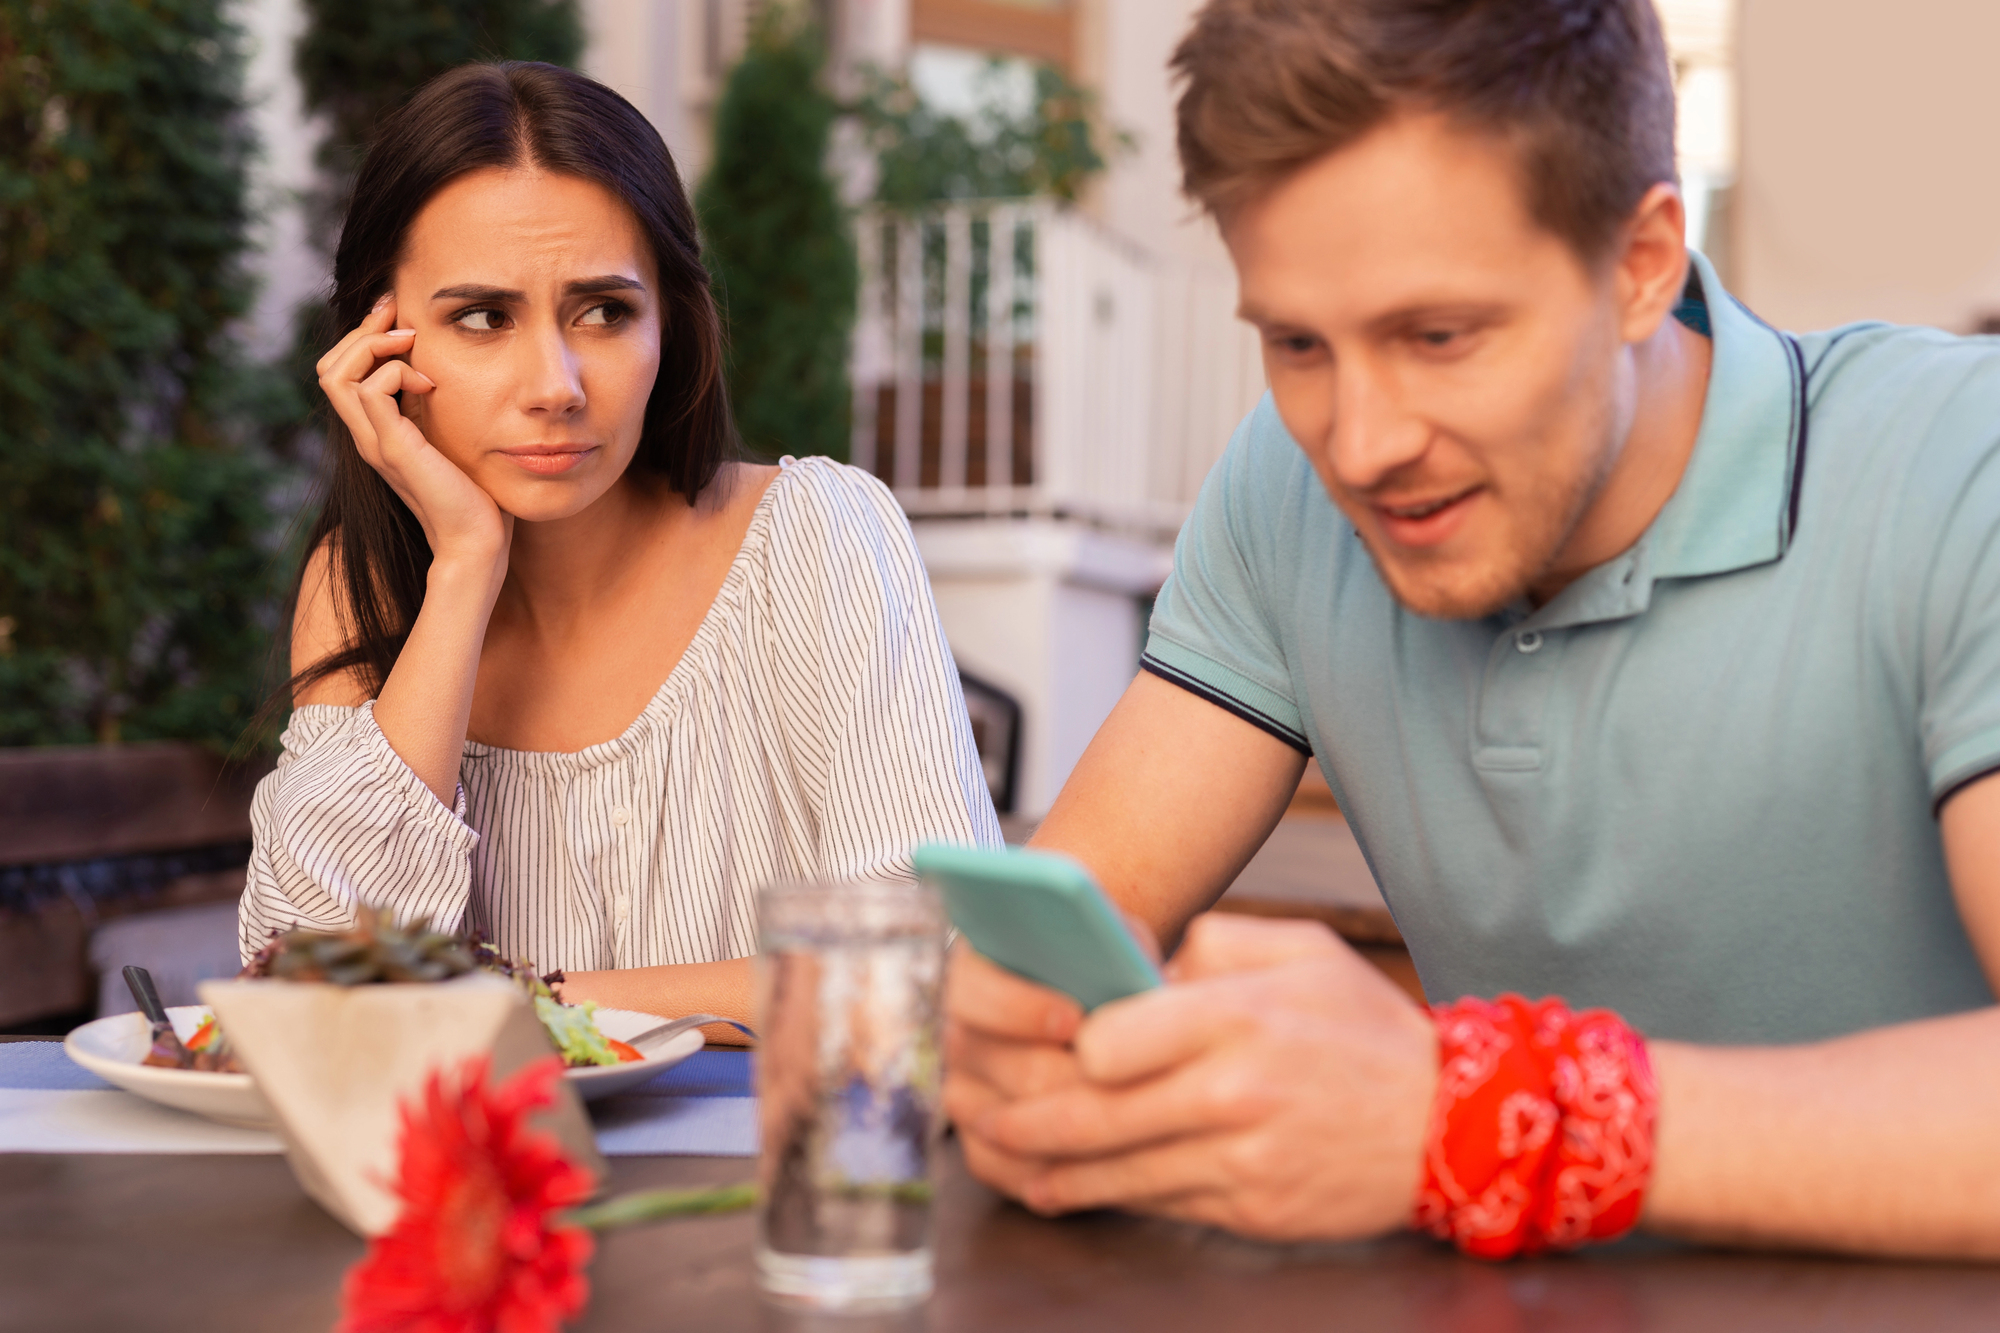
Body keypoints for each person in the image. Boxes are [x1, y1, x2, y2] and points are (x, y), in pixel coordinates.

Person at [944, 0, 2000, 1259]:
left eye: (1437, 336)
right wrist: (1016, 1055)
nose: (1360, 442)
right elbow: (1072, 931)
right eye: (1295, 343)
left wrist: (1480, 1114)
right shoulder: (1282, 489)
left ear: (1641, 262)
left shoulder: (1957, 467)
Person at [240, 63, 1000, 1034]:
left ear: (669, 325)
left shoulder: (816, 535)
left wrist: (520, 1006)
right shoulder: (363, 590)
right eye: (482, 317)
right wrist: (465, 566)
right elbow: (317, 990)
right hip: (475, 1181)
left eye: (603, 310)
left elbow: (918, 951)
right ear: (380, 342)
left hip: (765, 1175)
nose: (554, 383)